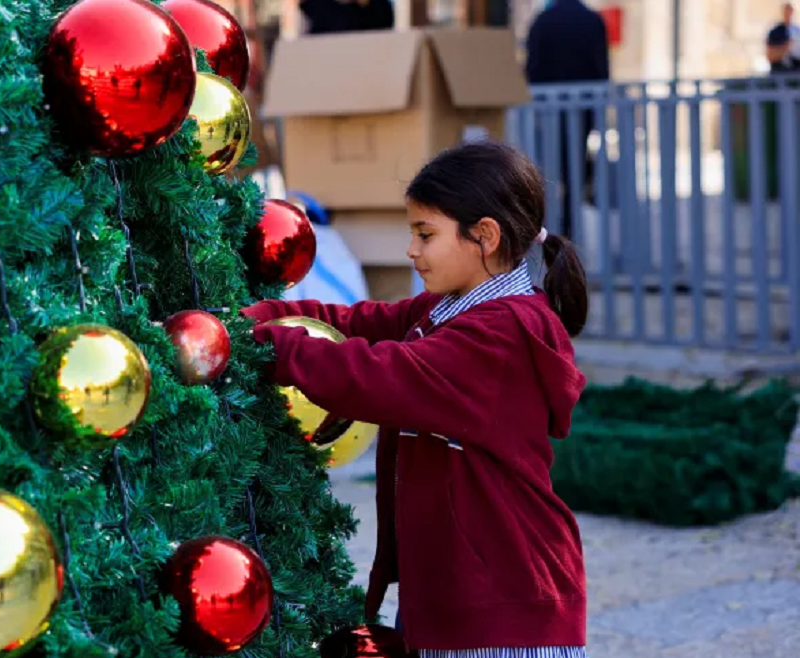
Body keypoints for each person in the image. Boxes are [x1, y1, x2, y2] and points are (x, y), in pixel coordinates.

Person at [241, 142, 591, 657]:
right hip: (454, 595)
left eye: (426, 234)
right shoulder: (449, 308)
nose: (411, 250)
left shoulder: (503, 335)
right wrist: (262, 317)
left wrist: (266, 345)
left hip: (503, 608)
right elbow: (359, 322)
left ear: (485, 236)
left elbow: (378, 376)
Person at [524, 0, 610, 243]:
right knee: (575, 167)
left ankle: (548, 228)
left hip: (548, 108)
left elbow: (533, 67)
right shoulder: (592, 20)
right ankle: (570, 227)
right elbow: (601, 69)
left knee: (547, 168)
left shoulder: (543, 20)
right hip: (582, 108)